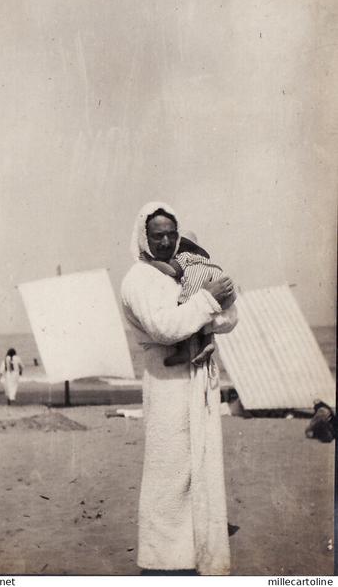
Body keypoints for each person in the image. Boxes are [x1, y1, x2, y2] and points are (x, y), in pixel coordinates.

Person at [121, 201, 238, 575]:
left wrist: (207, 317)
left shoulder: (183, 269)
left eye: (172, 233)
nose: (167, 241)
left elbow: (231, 316)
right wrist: (207, 303)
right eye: (158, 236)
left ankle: (195, 554)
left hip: (199, 379)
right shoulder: (137, 280)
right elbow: (165, 327)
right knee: (168, 473)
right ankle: (162, 561)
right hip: (167, 382)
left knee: (200, 467)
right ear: (144, 236)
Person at [145, 229, 237, 366]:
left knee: (185, 307)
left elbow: (172, 270)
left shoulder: (184, 257)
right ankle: (207, 342)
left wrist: (153, 262)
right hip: (217, 274)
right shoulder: (203, 259)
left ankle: (183, 351)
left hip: (197, 277)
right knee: (209, 308)